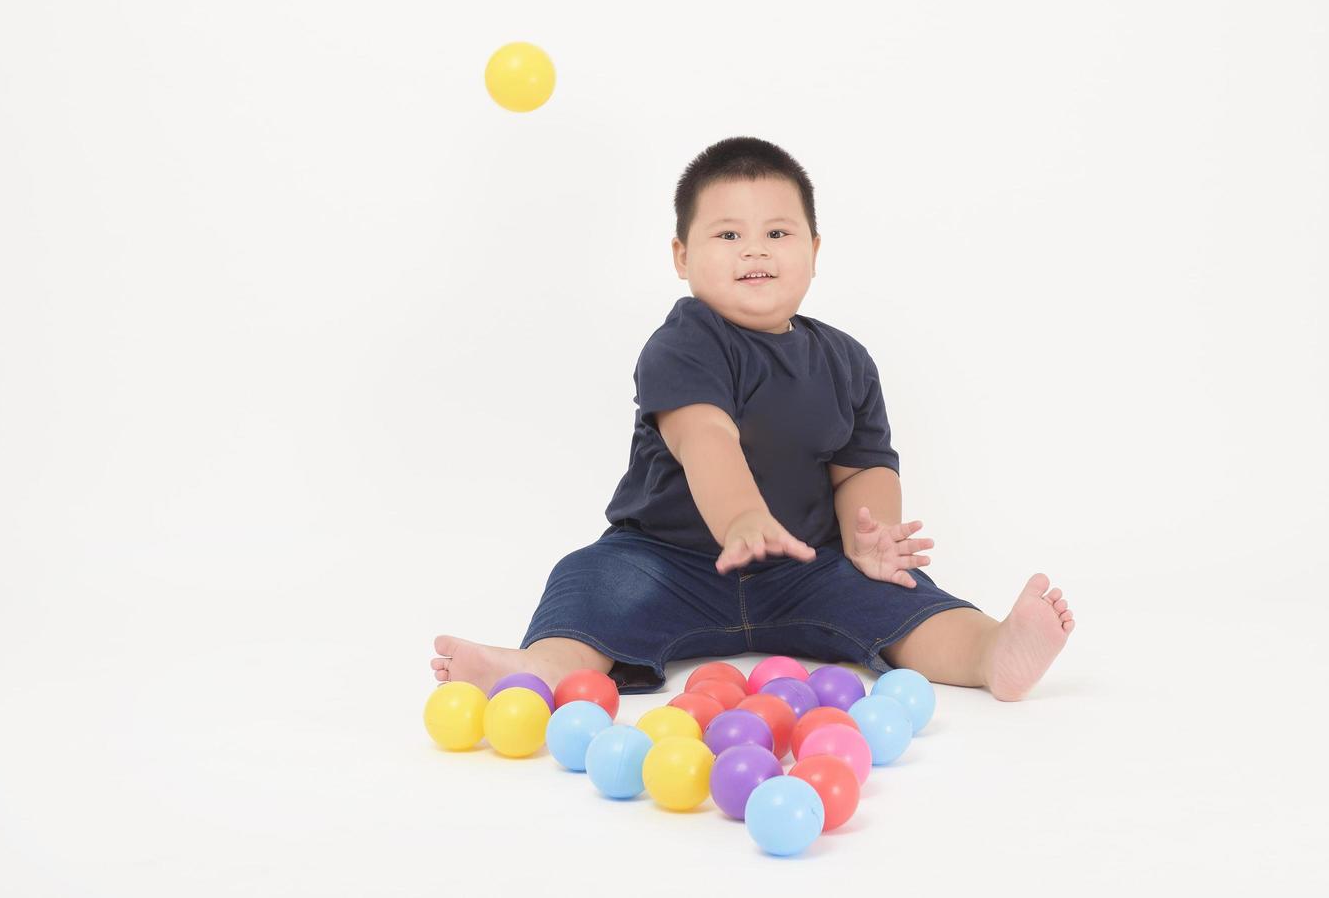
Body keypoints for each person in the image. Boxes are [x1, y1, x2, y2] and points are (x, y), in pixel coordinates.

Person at [431, 136, 1075, 702]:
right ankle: (540, 669)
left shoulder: (846, 360)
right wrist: (740, 516)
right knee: (590, 580)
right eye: (728, 234)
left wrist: (867, 537)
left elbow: (863, 466)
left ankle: (992, 653)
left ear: (815, 250)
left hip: (806, 569)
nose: (754, 250)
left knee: (901, 593)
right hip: (669, 561)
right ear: (682, 257)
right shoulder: (685, 341)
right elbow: (703, 434)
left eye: (777, 232)